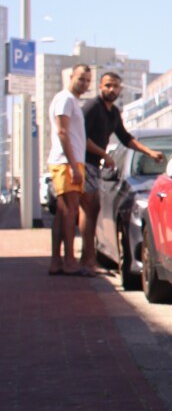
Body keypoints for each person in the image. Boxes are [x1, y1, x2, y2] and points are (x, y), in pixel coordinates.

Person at [80, 71, 165, 273]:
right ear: (100, 86)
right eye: (108, 85)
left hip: (95, 164)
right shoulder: (93, 107)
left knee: (93, 210)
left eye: (116, 86)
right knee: (88, 210)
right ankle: (87, 260)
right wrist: (104, 155)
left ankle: (88, 259)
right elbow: (80, 137)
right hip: (84, 163)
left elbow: (126, 138)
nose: (112, 89)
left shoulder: (113, 113)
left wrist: (149, 152)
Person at [48, 64, 94, 276]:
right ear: (71, 76)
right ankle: (69, 262)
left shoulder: (72, 101)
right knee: (70, 211)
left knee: (62, 212)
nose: (84, 84)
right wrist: (74, 165)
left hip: (71, 162)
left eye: (88, 80)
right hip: (67, 163)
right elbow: (62, 131)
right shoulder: (65, 99)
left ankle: (57, 261)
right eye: (81, 79)